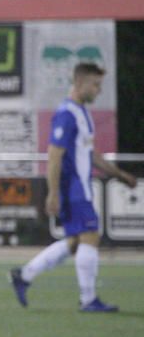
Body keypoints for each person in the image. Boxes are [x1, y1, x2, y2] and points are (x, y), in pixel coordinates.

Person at [10, 62, 137, 311]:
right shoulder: (67, 113)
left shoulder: (81, 113)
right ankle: (88, 299)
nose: (98, 90)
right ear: (80, 83)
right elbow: (55, 154)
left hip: (80, 188)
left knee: (76, 242)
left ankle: (24, 275)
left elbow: (93, 155)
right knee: (90, 235)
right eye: (95, 84)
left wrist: (121, 175)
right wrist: (53, 192)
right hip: (73, 188)